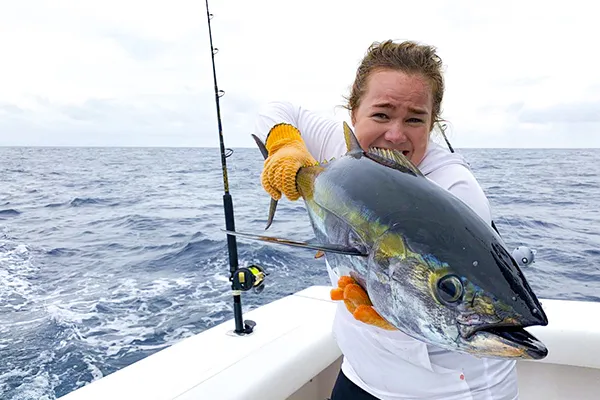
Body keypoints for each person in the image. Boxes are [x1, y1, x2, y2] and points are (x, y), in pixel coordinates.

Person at [252, 40, 518, 400]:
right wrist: (284, 144)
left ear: (433, 123)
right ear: (353, 111)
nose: (395, 134)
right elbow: (275, 109)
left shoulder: (455, 189)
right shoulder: (340, 144)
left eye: (414, 119)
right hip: (361, 377)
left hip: (450, 391)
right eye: (381, 114)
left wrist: (392, 314)